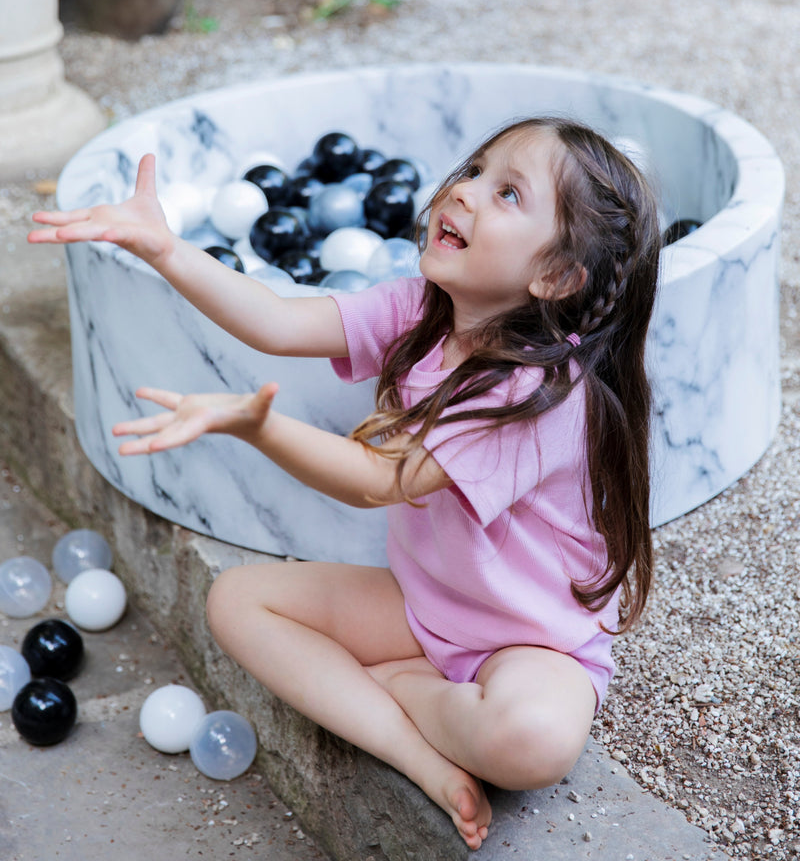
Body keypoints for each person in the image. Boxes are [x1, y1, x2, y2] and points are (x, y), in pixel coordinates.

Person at [29, 116, 661, 851]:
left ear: (553, 276)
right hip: (426, 607)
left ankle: (399, 690)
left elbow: (375, 481)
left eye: (509, 194)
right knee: (237, 601)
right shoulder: (420, 314)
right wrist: (166, 248)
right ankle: (414, 749)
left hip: (530, 643)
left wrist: (256, 426)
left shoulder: (540, 393)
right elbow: (274, 321)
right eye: (475, 170)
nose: (465, 192)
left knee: (534, 745)